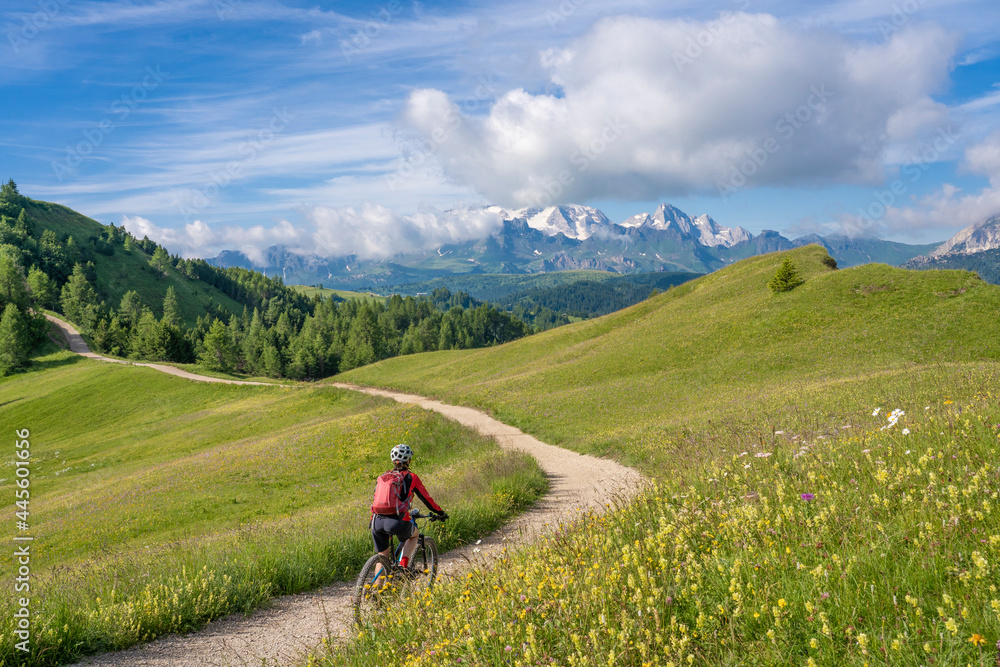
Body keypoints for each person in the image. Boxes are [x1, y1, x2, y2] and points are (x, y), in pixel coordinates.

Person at [370, 444, 447, 577]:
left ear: (393, 460)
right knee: (414, 535)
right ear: (409, 459)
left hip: (376, 522)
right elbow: (427, 499)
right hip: (397, 522)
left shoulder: (383, 477)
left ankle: (377, 591)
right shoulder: (411, 477)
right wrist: (440, 513)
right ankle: (403, 567)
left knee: (382, 556)